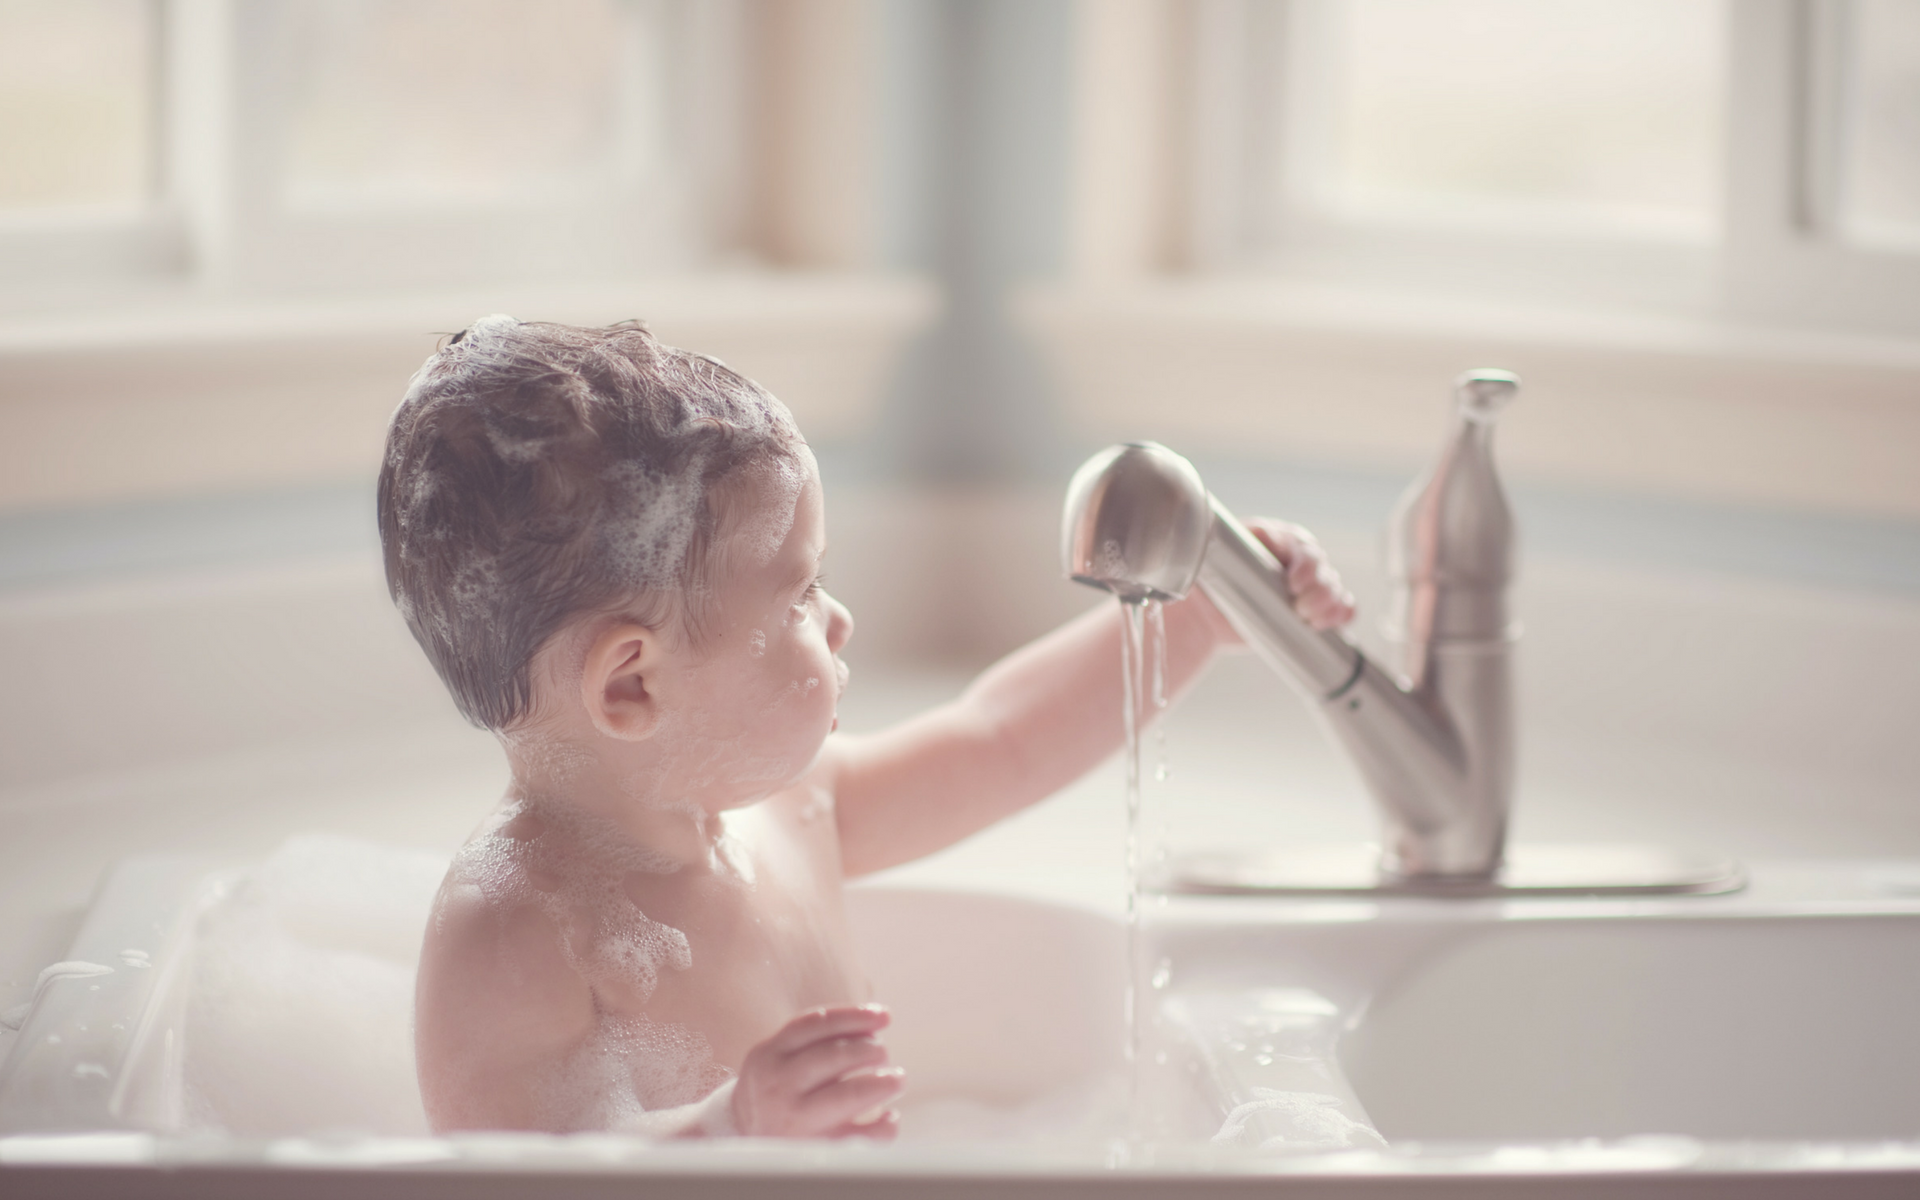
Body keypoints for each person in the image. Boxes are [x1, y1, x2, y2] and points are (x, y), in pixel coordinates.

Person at [383, 317, 1354, 1140]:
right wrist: (725, 1136)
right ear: (631, 686)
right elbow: (512, 1187)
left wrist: (1187, 622)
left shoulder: (787, 811)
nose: (839, 620)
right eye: (800, 594)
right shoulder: (514, 936)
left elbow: (1002, 739)